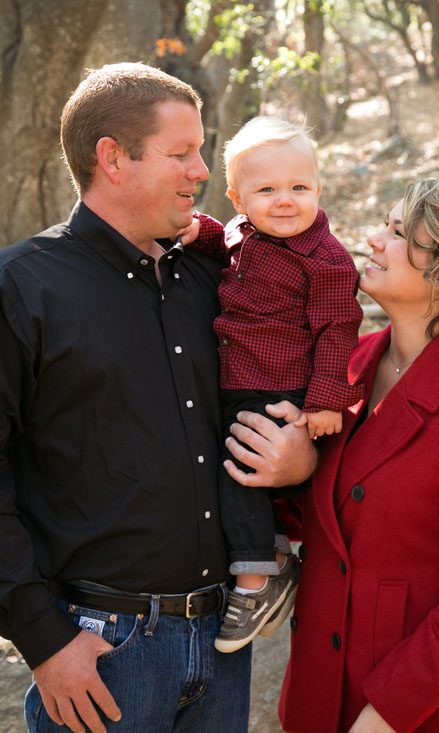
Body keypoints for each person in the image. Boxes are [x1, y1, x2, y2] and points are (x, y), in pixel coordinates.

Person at [0, 63, 315, 733]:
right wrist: (45, 642)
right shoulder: (12, 291)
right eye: (182, 152)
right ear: (112, 158)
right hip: (106, 654)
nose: (201, 171)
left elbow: (295, 362)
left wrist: (299, 457)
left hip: (223, 641)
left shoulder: (215, 274)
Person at [229, 176, 439, 732]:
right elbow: (339, 522)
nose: (374, 239)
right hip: (319, 695)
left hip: (424, 708)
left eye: (399, 232)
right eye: (385, 224)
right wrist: (298, 471)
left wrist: (386, 714)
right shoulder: (349, 367)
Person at [179, 116, 363, 654]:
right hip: (236, 379)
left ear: (317, 189)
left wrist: (327, 399)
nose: (285, 201)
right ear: (238, 198)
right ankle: (276, 557)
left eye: (299, 188)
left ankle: (257, 582)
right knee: (229, 467)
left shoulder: (325, 261)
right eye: (266, 190)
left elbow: (337, 330)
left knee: (242, 472)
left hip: (283, 388)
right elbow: (225, 241)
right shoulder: (243, 231)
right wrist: (202, 231)